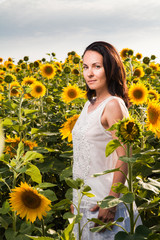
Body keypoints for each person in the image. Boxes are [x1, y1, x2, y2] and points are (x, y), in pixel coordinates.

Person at [72, 41, 141, 239]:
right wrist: (76, 198)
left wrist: (111, 201)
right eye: (85, 67)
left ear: (109, 69)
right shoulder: (89, 104)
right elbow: (83, 156)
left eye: (97, 66)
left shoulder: (113, 105)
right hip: (84, 204)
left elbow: (125, 156)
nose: (89, 73)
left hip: (105, 205)